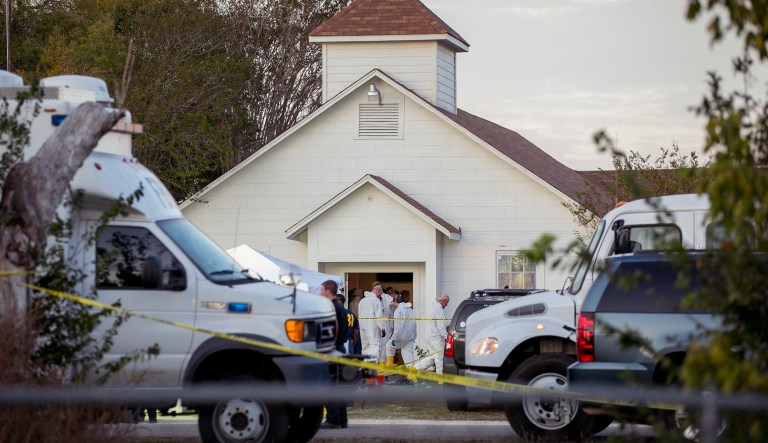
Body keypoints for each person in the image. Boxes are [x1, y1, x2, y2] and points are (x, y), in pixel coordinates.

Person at [319, 280, 349, 429]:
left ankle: (332, 419)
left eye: (321, 290)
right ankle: (342, 419)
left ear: (328, 291)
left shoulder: (330, 308)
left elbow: (330, 331)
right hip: (340, 349)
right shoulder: (341, 308)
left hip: (332, 350)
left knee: (329, 386)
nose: (320, 294)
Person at [414, 294, 449, 374]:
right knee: (439, 358)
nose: (446, 305)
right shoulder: (439, 310)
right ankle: (440, 378)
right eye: (447, 303)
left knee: (432, 357)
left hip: (429, 337)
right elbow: (441, 326)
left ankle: (414, 369)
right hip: (436, 338)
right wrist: (447, 337)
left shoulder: (432, 309)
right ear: (443, 301)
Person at [385, 292, 416, 367]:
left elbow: (398, 327)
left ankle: (389, 366)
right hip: (410, 337)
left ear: (396, 301)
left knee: (389, 346)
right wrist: (413, 337)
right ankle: (412, 376)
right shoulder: (411, 310)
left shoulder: (398, 310)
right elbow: (414, 324)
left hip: (401, 337)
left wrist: (394, 338)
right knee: (409, 358)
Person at [358, 284, 386, 361]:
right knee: (374, 345)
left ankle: (366, 365)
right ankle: (371, 366)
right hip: (372, 326)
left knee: (365, 346)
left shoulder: (362, 301)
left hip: (362, 326)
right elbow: (379, 315)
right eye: (380, 294)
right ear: (377, 292)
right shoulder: (376, 300)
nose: (380, 296)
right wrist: (382, 328)